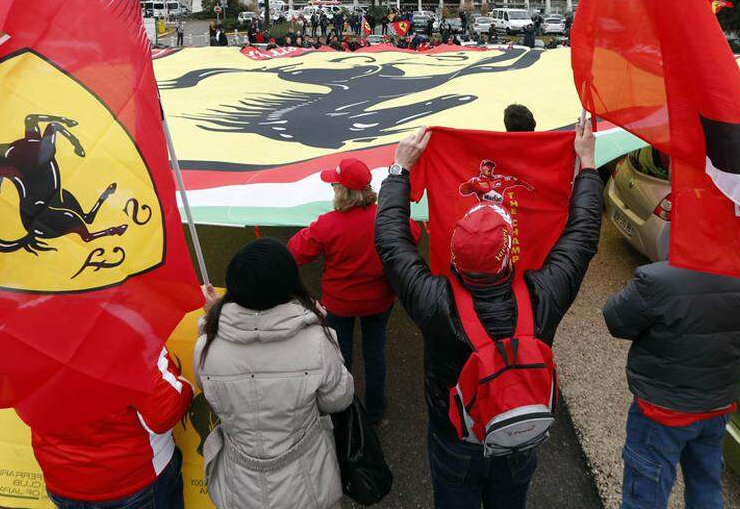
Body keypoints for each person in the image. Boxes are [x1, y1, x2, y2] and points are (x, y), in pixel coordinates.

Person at [375, 122, 603, 509]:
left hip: (456, 439)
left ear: (453, 255)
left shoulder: (433, 303)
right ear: (510, 251)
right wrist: (588, 164)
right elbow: (583, 233)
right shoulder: (543, 296)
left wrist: (400, 169)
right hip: (519, 430)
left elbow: (391, 241)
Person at [196, 240, 354, 509]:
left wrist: (212, 320)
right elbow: (338, 399)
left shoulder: (205, 347)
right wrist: (324, 331)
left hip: (238, 485)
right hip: (307, 482)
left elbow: (213, 394)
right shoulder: (316, 342)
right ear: (290, 284)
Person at [602, 262, 740, 509]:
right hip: (716, 408)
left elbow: (616, 320)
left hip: (662, 412)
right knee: (706, 488)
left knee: (644, 497)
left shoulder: (657, 279)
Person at [289, 158, 419, 424]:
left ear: (341, 190)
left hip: (340, 304)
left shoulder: (327, 224)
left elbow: (294, 251)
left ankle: (344, 412)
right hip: (379, 302)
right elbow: (413, 234)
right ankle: (375, 412)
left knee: (341, 357)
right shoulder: (386, 218)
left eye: (335, 185)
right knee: (375, 353)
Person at [32, 347, 193, 509]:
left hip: (61, 477)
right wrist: (184, 385)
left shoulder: (21, 335)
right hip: (134, 481)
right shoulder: (126, 335)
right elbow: (165, 412)